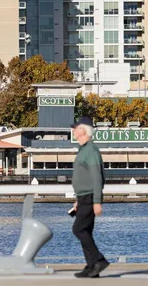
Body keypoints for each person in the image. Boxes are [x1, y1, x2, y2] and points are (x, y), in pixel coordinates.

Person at [70, 116, 109, 278]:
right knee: (86, 230)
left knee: (78, 229)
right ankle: (92, 267)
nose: (73, 130)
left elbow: (96, 177)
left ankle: (99, 260)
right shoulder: (83, 150)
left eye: (76, 127)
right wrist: (78, 200)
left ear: (83, 130)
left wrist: (97, 201)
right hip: (83, 197)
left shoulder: (90, 151)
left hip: (90, 196)